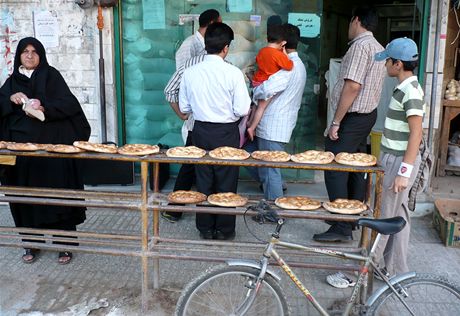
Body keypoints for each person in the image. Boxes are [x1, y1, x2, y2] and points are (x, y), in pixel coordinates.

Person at [0, 37, 91, 264]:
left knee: (57, 196)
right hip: (22, 155)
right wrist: (10, 100)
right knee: (25, 200)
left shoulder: (52, 76)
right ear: (19, 55)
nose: (29, 56)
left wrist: (44, 107)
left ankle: (64, 246)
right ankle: (31, 244)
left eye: (34, 52)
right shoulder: (12, 82)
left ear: (41, 55)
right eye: (25, 52)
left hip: (52, 152)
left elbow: (70, 105)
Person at [313, 5, 386, 242]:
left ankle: (341, 226)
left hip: (353, 117)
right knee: (354, 166)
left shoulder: (360, 47)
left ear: (356, 20)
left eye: (349, 23)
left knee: (334, 166)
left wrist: (336, 121)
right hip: (367, 115)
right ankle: (352, 216)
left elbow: (353, 86)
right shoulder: (378, 47)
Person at [179, 22, 251, 240]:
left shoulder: (190, 73)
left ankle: (205, 228)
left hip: (200, 130)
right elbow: (242, 109)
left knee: (203, 181)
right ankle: (224, 230)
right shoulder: (233, 73)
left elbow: (184, 108)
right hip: (226, 131)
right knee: (226, 182)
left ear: (206, 44)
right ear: (226, 48)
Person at [161, 9, 221, 223]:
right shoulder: (189, 47)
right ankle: (175, 208)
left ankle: (187, 208)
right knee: (190, 164)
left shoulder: (209, 48)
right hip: (195, 118)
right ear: (213, 23)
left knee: (196, 166)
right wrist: (183, 115)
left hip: (205, 118)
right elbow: (178, 85)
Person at [372, 37, 424, 277]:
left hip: (398, 160)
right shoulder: (404, 88)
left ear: (398, 64)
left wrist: (404, 172)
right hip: (394, 157)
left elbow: (416, 133)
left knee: (383, 216)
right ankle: (395, 270)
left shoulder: (410, 91)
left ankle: (363, 270)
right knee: (398, 217)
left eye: (388, 62)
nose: (385, 66)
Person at [246, 23, 306, 201]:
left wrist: (254, 88)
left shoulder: (288, 67)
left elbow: (266, 90)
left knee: (269, 168)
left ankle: (274, 210)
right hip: (278, 124)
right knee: (256, 158)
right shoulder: (298, 64)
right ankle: (276, 186)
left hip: (273, 125)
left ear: (283, 45)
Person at [246, 24, 293, 141]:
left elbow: (258, 61)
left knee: (256, 105)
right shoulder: (278, 54)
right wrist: (284, 53)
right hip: (266, 84)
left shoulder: (262, 51)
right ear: (283, 43)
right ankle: (252, 128)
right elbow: (289, 66)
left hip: (257, 81)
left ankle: (249, 122)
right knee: (262, 107)